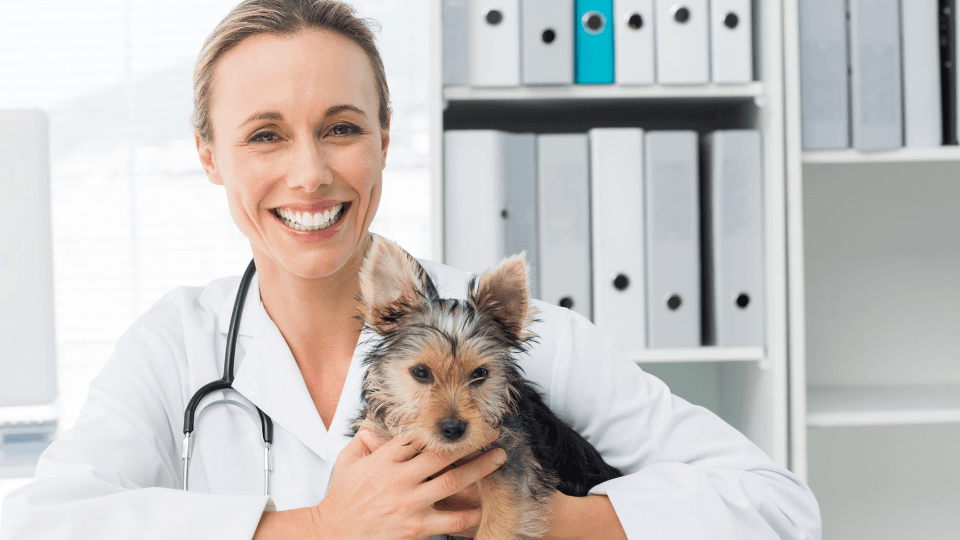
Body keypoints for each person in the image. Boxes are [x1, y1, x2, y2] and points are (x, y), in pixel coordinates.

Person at [0, 1, 822, 538]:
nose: (311, 173)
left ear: (386, 139)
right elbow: (42, 523)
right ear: (209, 157)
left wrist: (550, 518)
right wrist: (319, 526)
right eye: (264, 135)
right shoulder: (176, 345)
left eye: (343, 127)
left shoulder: (517, 338)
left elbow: (779, 506)